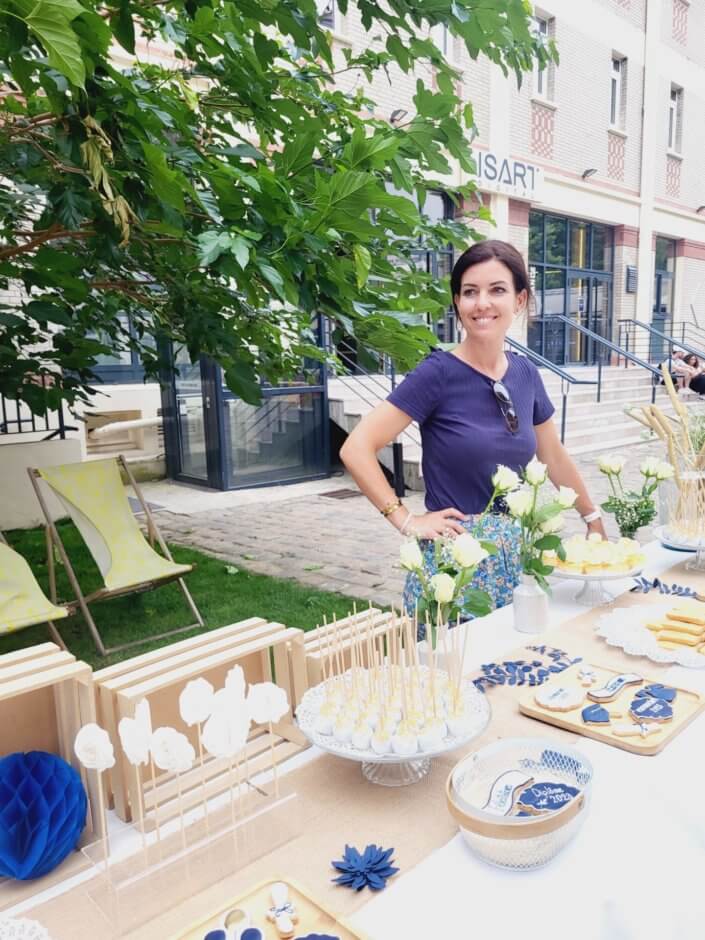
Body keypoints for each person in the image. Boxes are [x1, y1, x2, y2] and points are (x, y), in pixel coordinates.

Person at [340, 239, 607, 626]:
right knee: (454, 679)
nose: (482, 303)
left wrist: (592, 516)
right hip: (455, 566)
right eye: (469, 292)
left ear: (519, 300)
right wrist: (405, 519)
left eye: (497, 290)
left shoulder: (525, 373)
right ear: (457, 303)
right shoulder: (437, 373)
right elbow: (357, 448)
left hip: (517, 560)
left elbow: (552, 455)